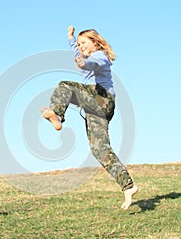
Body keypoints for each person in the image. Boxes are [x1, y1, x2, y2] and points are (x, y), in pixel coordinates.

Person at [41, 25, 138, 210]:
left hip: (102, 98)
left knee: (65, 86)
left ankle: (57, 115)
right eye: (79, 44)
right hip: (96, 109)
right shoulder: (84, 54)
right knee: (99, 150)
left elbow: (94, 63)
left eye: (84, 43)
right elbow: (77, 53)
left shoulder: (100, 56)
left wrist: (85, 64)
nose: (81, 46)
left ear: (95, 42)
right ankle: (129, 186)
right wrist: (70, 39)